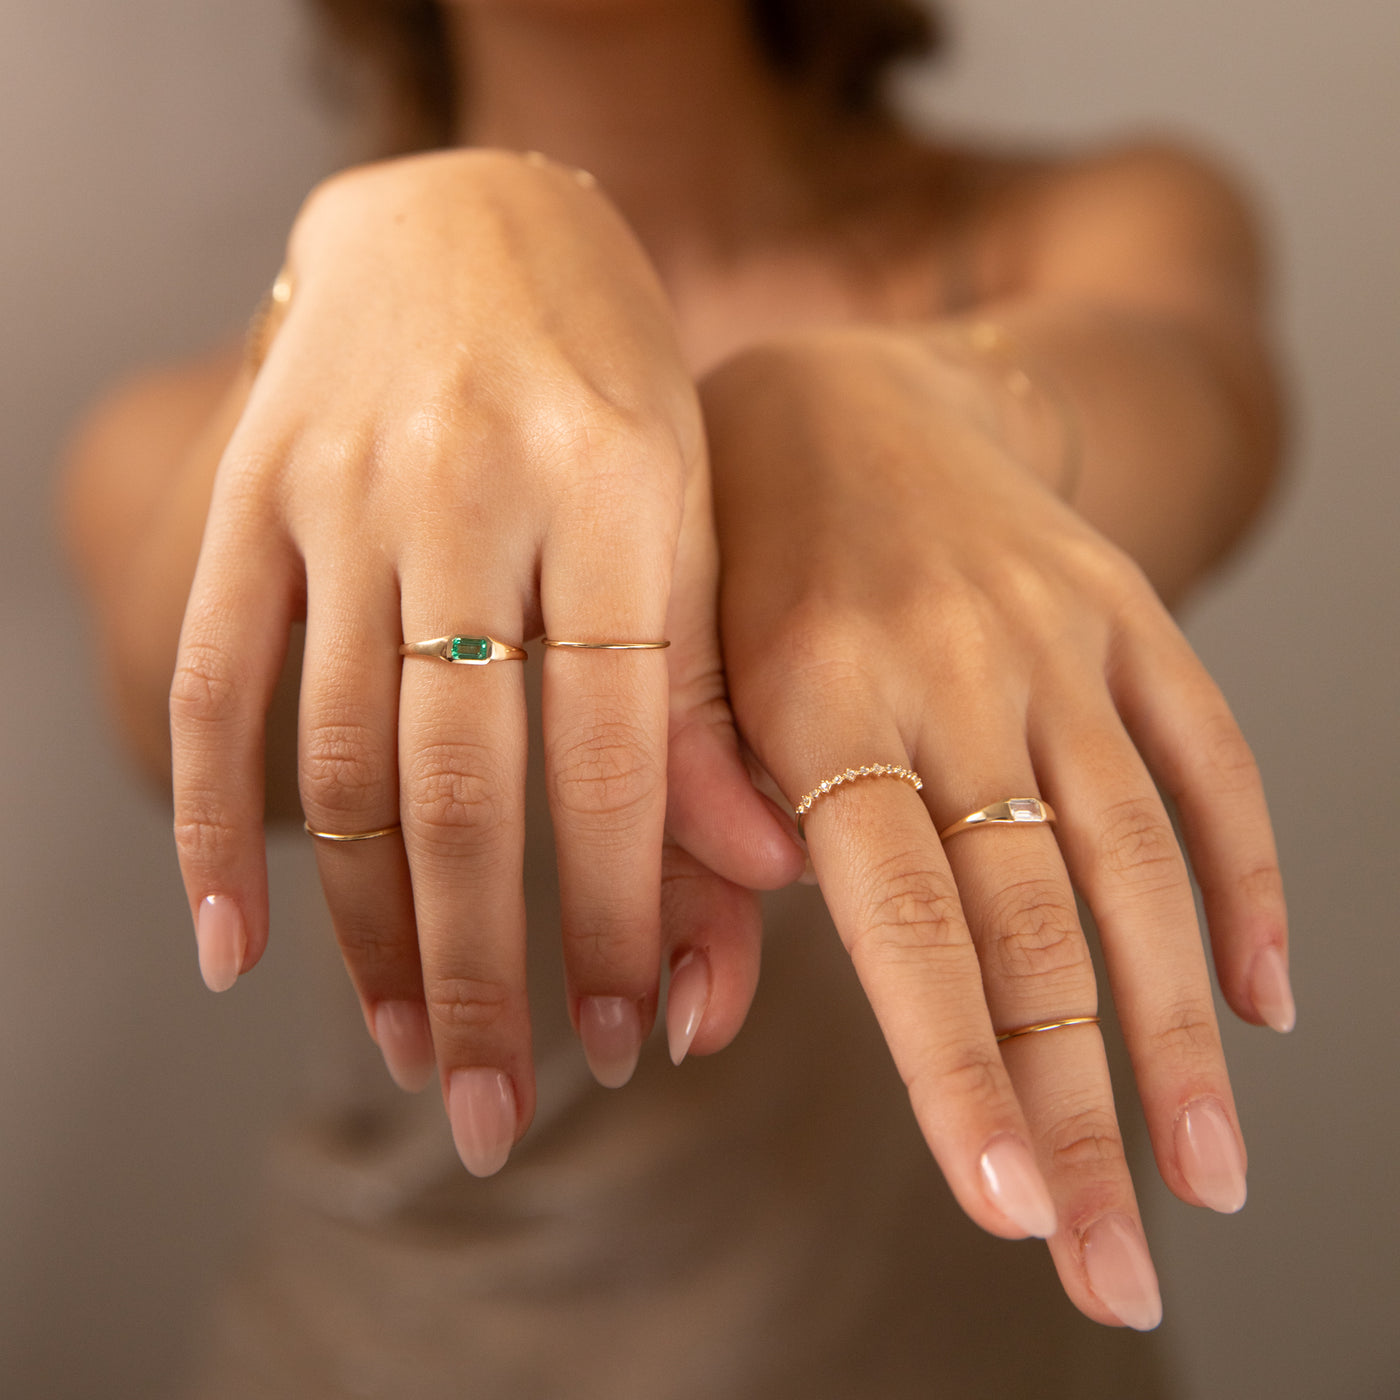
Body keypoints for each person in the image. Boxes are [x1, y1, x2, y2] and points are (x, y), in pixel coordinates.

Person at [60, 0, 1294, 1393]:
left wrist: (919, 409)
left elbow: (1199, 409)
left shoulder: (1095, 226)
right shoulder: (174, 434)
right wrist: (413, 232)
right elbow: (188, 690)